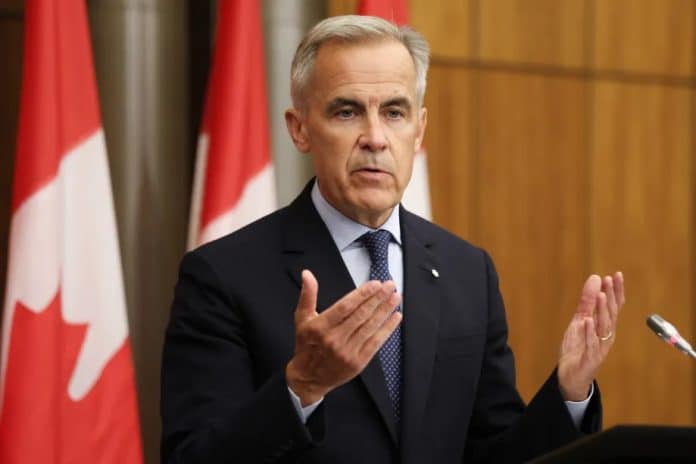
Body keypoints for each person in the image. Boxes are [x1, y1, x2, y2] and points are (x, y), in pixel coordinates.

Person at [160, 15, 625, 464]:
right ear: (300, 129)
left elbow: (495, 452)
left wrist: (569, 392)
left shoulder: (467, 272)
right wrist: (300, 387)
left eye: (394, 112)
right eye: (347, 111)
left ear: (418, 130)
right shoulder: (223, 275)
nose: (375, 138)